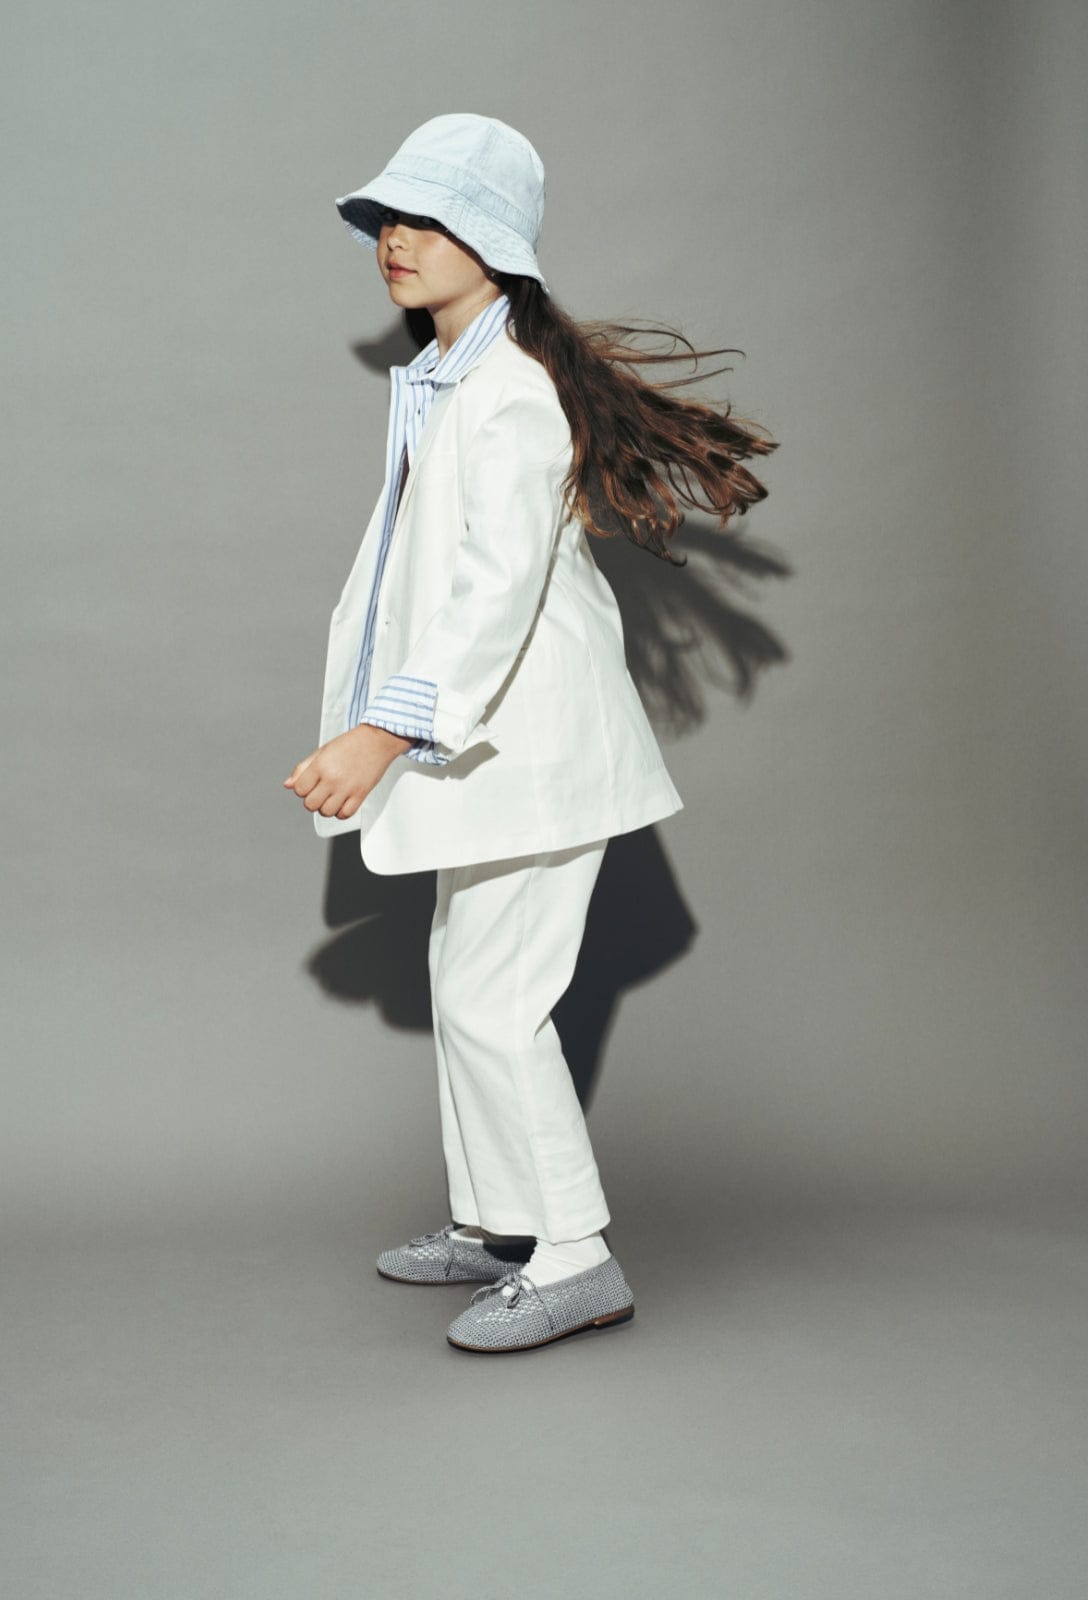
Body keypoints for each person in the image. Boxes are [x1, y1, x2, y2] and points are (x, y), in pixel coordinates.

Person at [284, 113, 776, 1354]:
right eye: (387, 219)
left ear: (494, 244)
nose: (395, 240)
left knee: (496, 1002)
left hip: (532, 752)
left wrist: (379, 735)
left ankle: (574, 1256)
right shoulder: (454, 374)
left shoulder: (508, 390)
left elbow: (492, 595)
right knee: (468, 982)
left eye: (428, 220)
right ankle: (499, 1220)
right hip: (490, 755)